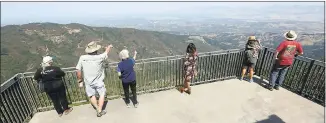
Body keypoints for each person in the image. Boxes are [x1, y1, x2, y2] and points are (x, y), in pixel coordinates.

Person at [76, 41, 113, 117]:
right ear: (96, 50)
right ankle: (99, 110)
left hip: (88, 82)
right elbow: (106, 52)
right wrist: (109, 47)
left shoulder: (82, 58)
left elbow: (78, 70)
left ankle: (96, 107)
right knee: (102, 94)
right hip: (99, 81)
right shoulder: (100, 57)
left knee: (91, 95)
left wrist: (80, 81)